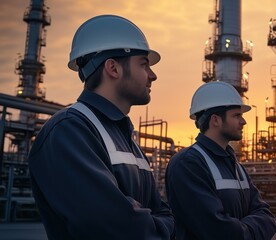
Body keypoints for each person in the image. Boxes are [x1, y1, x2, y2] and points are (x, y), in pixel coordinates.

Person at [28, 15, 175, 239]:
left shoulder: (123, 136)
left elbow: (163, 212)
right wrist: (160, 225)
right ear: (113, 68)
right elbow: (119, 229)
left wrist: (155, 222)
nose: (152, 75)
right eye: (143, 64)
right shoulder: (68, 131)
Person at [165, 81, 276, 240]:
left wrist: (243, 231)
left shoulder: (235, 165)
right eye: (236, 115)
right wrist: (253, 230)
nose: (243, 121)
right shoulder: (188, 164)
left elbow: (267, 216)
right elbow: (218, 231)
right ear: (215, 120)